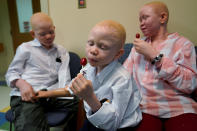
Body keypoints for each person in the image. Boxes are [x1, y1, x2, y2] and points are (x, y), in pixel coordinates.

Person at [36, 20, 142, 131]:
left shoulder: (122, 79)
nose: (93, 50)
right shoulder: (89, 68)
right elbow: (72, 88)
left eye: (103, 47)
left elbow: (113, 124)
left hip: (117, 126)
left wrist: (89, 97)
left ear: (117, 54)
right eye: (90, 43)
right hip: (94, 119)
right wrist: (46, 93)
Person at [123, 1, 197, 131]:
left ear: (163, 17)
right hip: (144, 107)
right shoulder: (137, 48)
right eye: (140, 19)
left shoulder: (184, 45)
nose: (141, 23)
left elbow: (190, 84)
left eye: (145, 17)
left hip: (179, 107)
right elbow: (124, 77)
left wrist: (155, 57)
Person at [5, 12, 78, 131]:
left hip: (52, 95)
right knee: (30, 126)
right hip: (29, 95)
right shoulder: (25, 49)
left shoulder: (61, 51)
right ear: (33, 34)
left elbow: (64, 78)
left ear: (54, 29)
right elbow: (10, 74)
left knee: (83, 103)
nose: (48, 36)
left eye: (51, 32)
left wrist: (65, 92)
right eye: (43, 34)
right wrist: (22, 84)